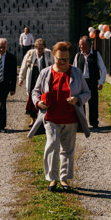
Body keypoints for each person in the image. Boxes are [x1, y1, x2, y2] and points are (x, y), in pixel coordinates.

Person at [27, 41, 91, 192]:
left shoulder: (76, 73)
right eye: (59, 59)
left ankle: (64, 179)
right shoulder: (45, 73)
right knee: (52, 145)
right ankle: (52, 178)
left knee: (67, 150)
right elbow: (35, 92)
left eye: (66, 59)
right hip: (51, 117)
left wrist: (78, 99)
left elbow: (87, 93)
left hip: (70, 118)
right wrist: (39, 102)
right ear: (53, 57)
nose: (62, 62)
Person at [72, 35, 107, 128]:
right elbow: (74, 70)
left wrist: (101, 82)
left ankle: (94, 122)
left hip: (92, 81)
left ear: (87, 45)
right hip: (81, 82)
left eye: (81, 44)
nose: (80, 46)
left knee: (93, 102)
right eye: (80, 44)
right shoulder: (78, 55)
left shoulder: (96, 54)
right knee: (80, 102)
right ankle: (81, 123)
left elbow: (103, 69)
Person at [18, 38, 53, 126]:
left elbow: (53, 65)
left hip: (45, 80)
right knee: (32, 99)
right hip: (33, 79)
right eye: (38, 48)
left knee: (45, 98)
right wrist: (21, 78)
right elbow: (23, 66)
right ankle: (32, 119)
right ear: (35, 48)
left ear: (44, 48)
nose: (40, 50)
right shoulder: (30, 54)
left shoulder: (48, 54)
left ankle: (43, 119)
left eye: (42, 49)